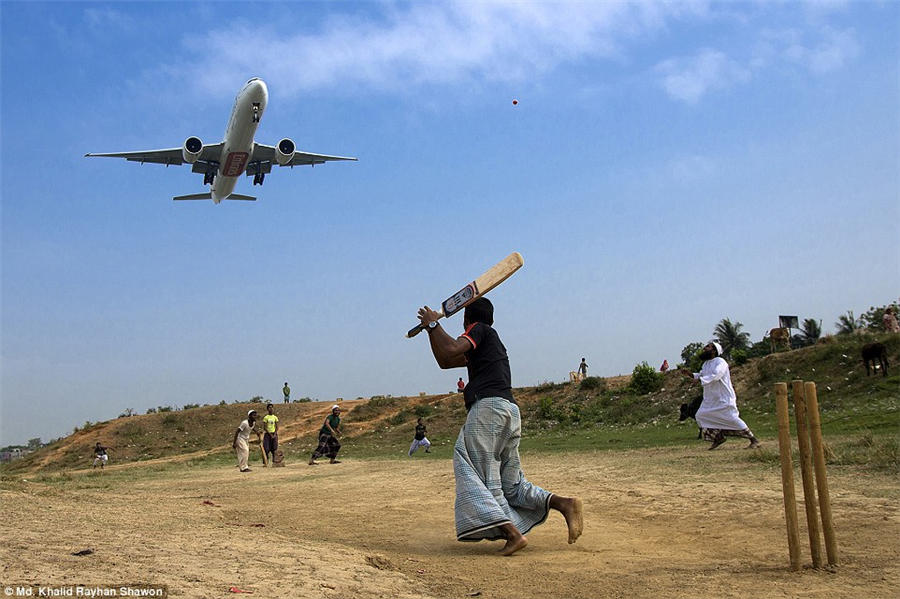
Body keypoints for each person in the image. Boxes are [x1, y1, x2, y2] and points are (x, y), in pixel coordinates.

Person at [416, 297, 583, 556]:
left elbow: (450, 348)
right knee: (512, 484)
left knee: (473, 471)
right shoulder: (489, 343)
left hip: (488, 410)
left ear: (466, 320)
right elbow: (446, 360)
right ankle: (565, 504)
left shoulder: (478, 330)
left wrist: (434, 324)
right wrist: (431, 330)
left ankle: (512, 534)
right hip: (508, 412)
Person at [680, 342, 761, 450]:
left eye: (708, 347)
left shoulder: (721, 362)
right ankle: (718, 438)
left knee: (732, 418)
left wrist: (700, 379)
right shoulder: (706, 364)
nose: (704, 348)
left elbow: (716, 376)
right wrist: (690, 374)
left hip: (723, 398)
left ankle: (753, 439)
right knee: (701, 416)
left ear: (714, 351)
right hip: (711, 399)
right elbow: (701, 375)